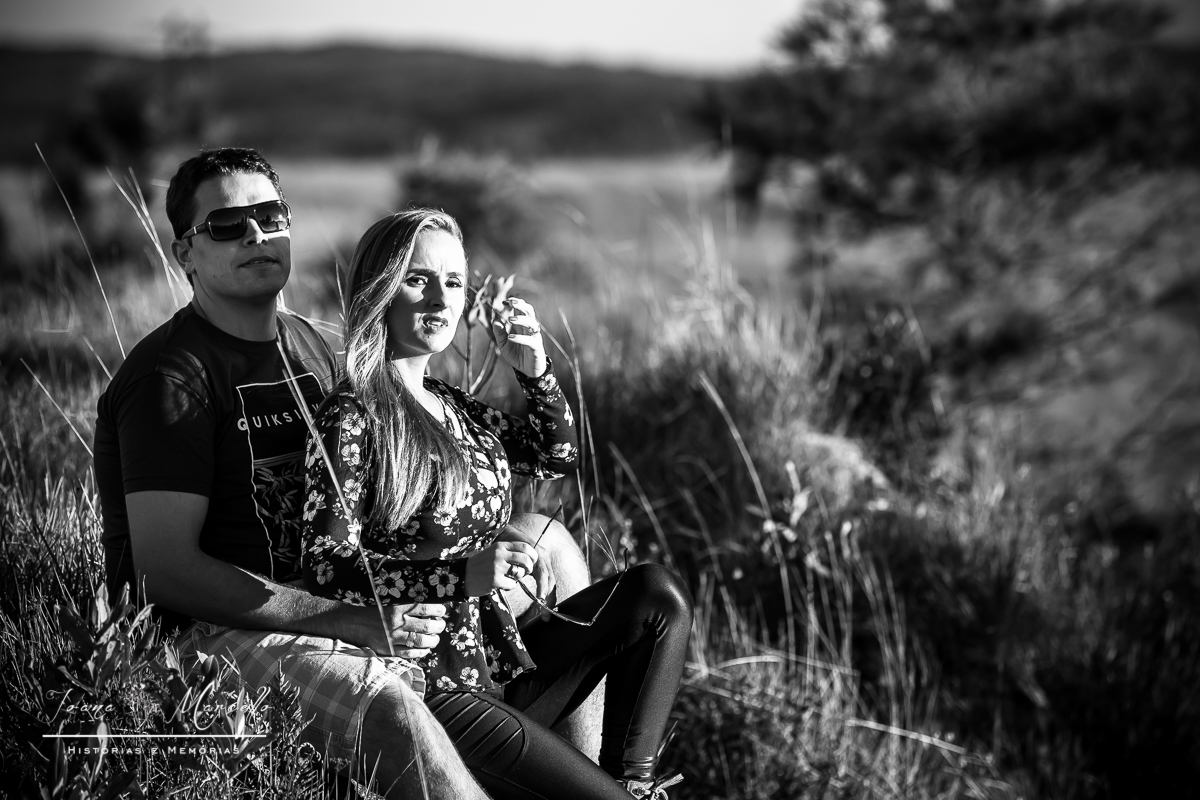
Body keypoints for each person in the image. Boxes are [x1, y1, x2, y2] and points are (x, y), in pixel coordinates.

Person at [93, 148, 495, 798]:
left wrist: (475, 553)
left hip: (326, 594)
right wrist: (345, 618)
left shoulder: (311, 346)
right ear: (184, 253)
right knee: (390, 708)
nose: (256, 234)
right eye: (228, 225)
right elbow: (164, 570)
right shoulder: (172, 377)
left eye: (271, 216)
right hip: (211, 632)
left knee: (549, 551)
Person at [301, 209, 694, 800]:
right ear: (380, 289)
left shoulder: (450, 404)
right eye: (418, 279)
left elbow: (554, 455)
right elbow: (326, 567)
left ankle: (633, 784)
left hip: (496, 663)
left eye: (453, 282)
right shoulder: (352, 416)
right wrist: (462, 574)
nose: (440, 298)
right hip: (431, 691)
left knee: (655, 596)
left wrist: (536, 373)